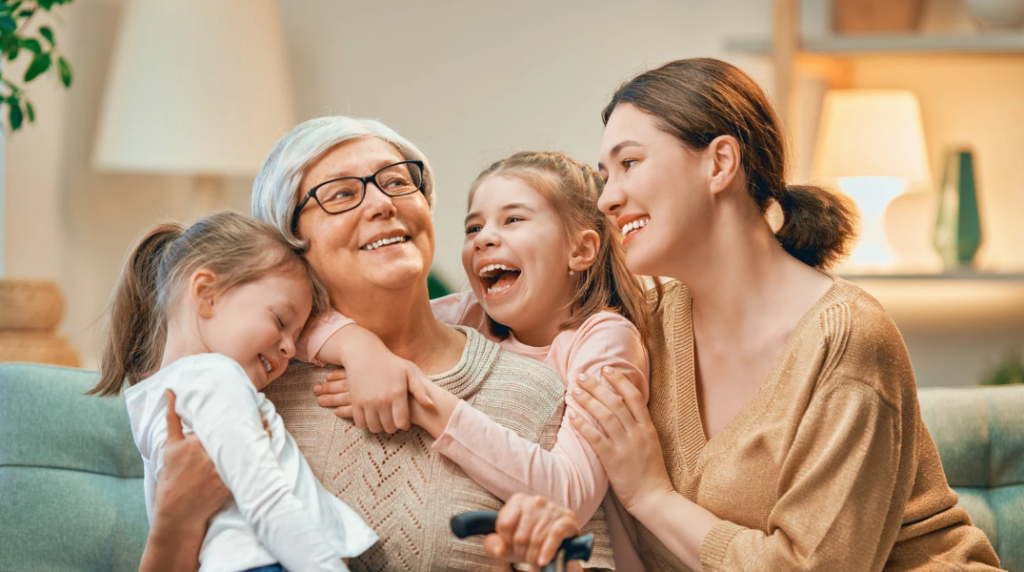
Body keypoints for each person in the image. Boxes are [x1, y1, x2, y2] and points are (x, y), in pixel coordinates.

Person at [564, 58, 1001, 571]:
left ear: (720, 163)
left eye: (629, 164)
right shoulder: (645, 327)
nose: (609, 198)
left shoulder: (845, 341)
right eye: (604, 175)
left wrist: (652, 495)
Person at [140, 117, 586, 572]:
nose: (381, 202)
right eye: (341, 193)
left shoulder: (532, 389)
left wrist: (552, 564)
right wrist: (175, 521)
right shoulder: (253, 386)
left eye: (397, 182)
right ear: (291, 244)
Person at [309, 151, 652, 570]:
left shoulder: (604, 341)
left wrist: (422, 400)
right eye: (474, 226)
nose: (484, 238)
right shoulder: (469, 314)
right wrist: (355, 347)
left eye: (513, 220)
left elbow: (568, 495)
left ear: (581, 250)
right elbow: (299, 323)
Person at [89, 212, 378, 572]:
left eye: (297, 336)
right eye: (280, 321)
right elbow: (265, 499)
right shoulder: (215, 376)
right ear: (208, 294)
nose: (289, 349)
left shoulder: (158, 397)